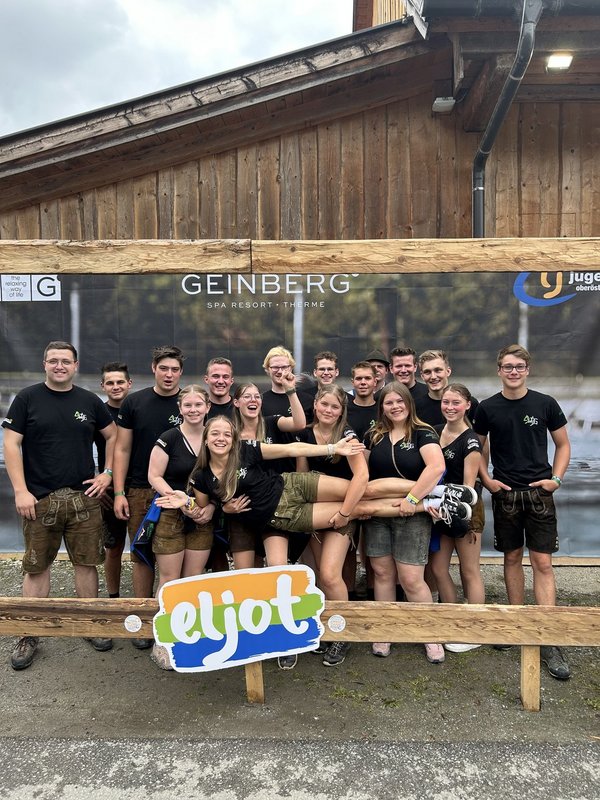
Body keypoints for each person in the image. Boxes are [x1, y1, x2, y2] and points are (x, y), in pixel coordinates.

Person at [2, 341, 117, 670]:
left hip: (84, 498)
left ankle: (89, 624)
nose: (59, 366)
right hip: (39, 499)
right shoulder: (27, 399)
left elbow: (112, 436)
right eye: (53, 360)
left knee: (86, 563)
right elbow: (11, 444)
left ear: (75, 365)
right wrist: (21, 491)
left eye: (66, 361)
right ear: (44, 364)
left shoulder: (89, 401)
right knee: (37, 567)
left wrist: (107, 473)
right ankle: (30, 632)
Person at [473, 344, 572, 680]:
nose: (513, 372)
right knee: (512, 557)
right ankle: (517, 624)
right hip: (506, 496)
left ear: (527, 369)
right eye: (507, 366)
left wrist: (556, 479)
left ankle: (548, 635)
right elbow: (477, 448)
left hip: (539, 495)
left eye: (518, 366)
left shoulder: (545, 403)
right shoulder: (487, 408)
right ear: (499, 370)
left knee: (542, 562)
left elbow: (563, 444)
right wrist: (487, 480)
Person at [362, 381, 472, 664]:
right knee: (382, 573)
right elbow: (363, 473)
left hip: (413, 514)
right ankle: (386, 629)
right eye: (389, 402)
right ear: (382, 407)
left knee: (411, 578)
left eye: (400, 401)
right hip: (378, 515)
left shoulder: (424, 432)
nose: (395, 407)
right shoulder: (373, 436)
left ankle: (430, 633)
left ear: (409, 403)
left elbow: (436, 467)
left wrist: (412, 499)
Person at [112, 345, 184, 649]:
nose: (169, 375)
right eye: (163, 368)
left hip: (181, 494)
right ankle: (143, 620)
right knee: (141, 554)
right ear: (154, 368)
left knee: (176, 559)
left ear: (181, 372)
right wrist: (119, 492)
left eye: (174, 369)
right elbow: (121, 449)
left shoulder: (189, 403)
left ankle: (173, 619)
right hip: (141, 490)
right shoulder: (134, 402)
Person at [296, 385, 369, 667]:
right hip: (315, 512)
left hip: (340, 512)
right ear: (315, 404)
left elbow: (361, 476)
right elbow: (302, 477)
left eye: (335, 407)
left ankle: (343, 631)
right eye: (324, 404)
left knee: (329, 574)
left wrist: (345, 513)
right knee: (317, 574)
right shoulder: (305, 435)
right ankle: (326, 625)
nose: (328, 410)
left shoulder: (348, 436)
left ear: (342, 411)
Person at [147, 385, 215, 670]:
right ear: (180, 408)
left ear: (208, 407)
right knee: (170, 579)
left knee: (194, 579)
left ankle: (189, 633)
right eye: (188, 405)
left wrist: (211, 507)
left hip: (202, 516)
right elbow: (154, 475)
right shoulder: (169, 438)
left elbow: (224, 477)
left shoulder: (215, 437)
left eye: (198, 404)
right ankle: (163, 638)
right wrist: (179, 499)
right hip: (171, 514)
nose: (193, 410)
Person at [428, 384, 485, 653]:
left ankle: (474, 630)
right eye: (446, 402)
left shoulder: (471, 441)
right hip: (438, 508)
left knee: (469, 569)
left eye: (456, 403)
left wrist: (448, 509)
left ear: (467, 405)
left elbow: (467, 489)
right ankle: (452, 621)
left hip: (465, 509)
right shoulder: (435, 431)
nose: (450, 407)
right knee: (439, 568)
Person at [97, 361, 132, 599]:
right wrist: (98, 483)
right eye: (110, 383)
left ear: (129, 383)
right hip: (109, 490)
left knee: (146, 546)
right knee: (113, 547)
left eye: (120, 382)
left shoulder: (139, 408)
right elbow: (80, 450)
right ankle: (113, 598)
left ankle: (150, 598)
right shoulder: (97, 412)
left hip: (138, 485)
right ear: (103, 386)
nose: (116, 386)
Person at [416, 349, 479, 427]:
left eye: (438, 370)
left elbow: (479, 434)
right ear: (422, 376)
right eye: (427, 372)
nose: (433, 377)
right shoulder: (415, 407)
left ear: (448, 371)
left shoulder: (469, 403)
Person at [346, 361, 378, 443]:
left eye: (367, 378)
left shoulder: (383, 411)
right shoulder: (343, 411)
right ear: (353, 382)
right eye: (359, 378)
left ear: (375, 382)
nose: (363, 382)